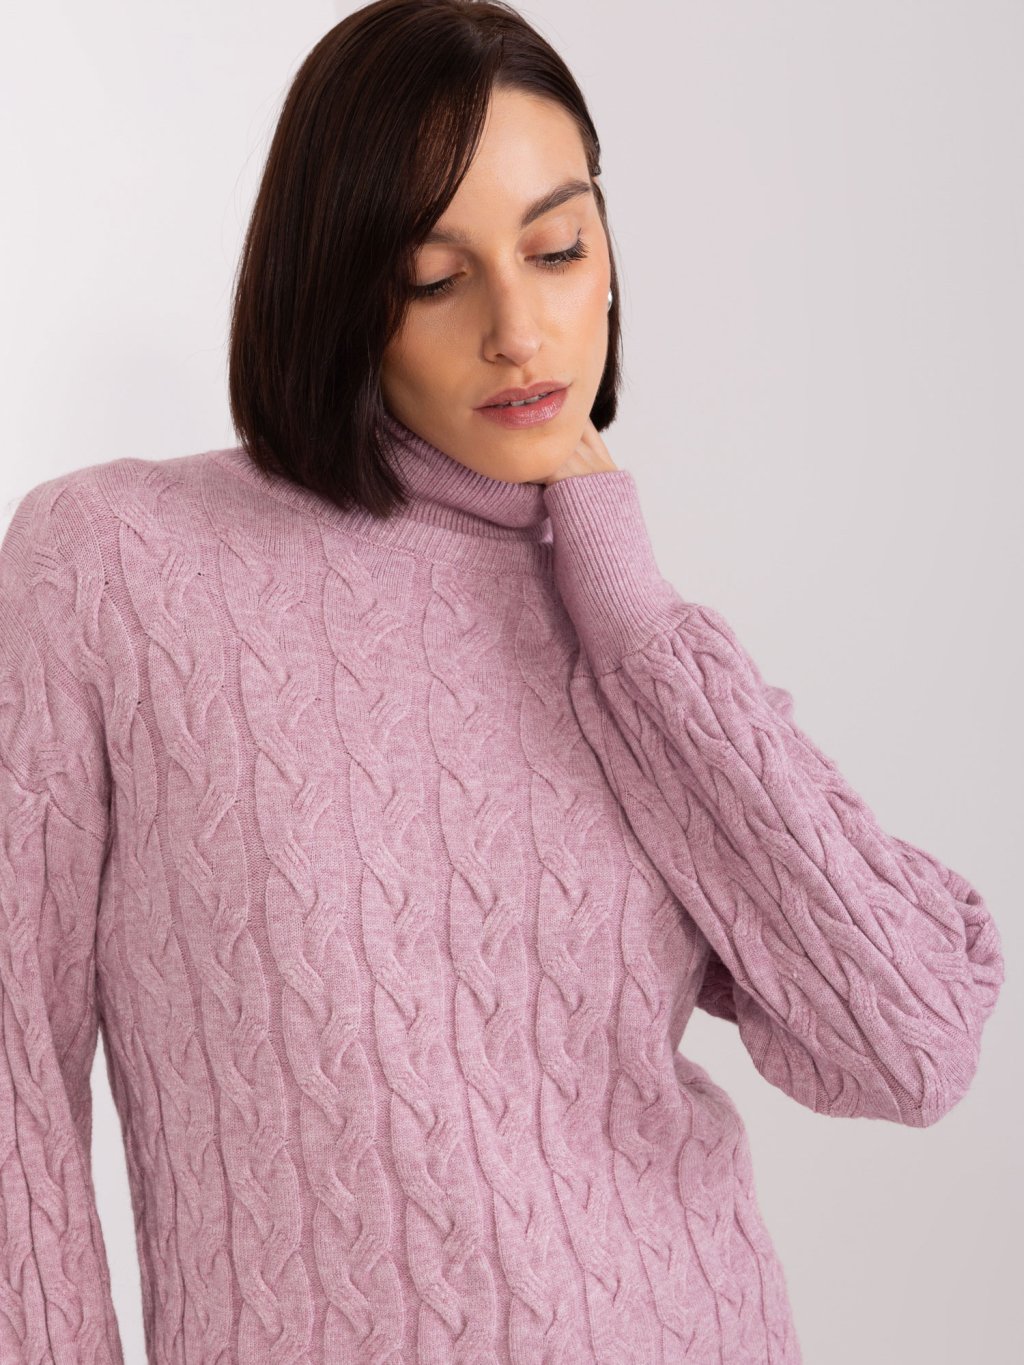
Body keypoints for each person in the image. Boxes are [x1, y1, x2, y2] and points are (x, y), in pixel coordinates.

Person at [0, 2, 1003, 1362]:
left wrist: (638, 625)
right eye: (434, 277)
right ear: (337, 292)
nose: (522, 331)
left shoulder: (628, 634)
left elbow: (914, 1045)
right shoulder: (114, 563)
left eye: (558, 249)